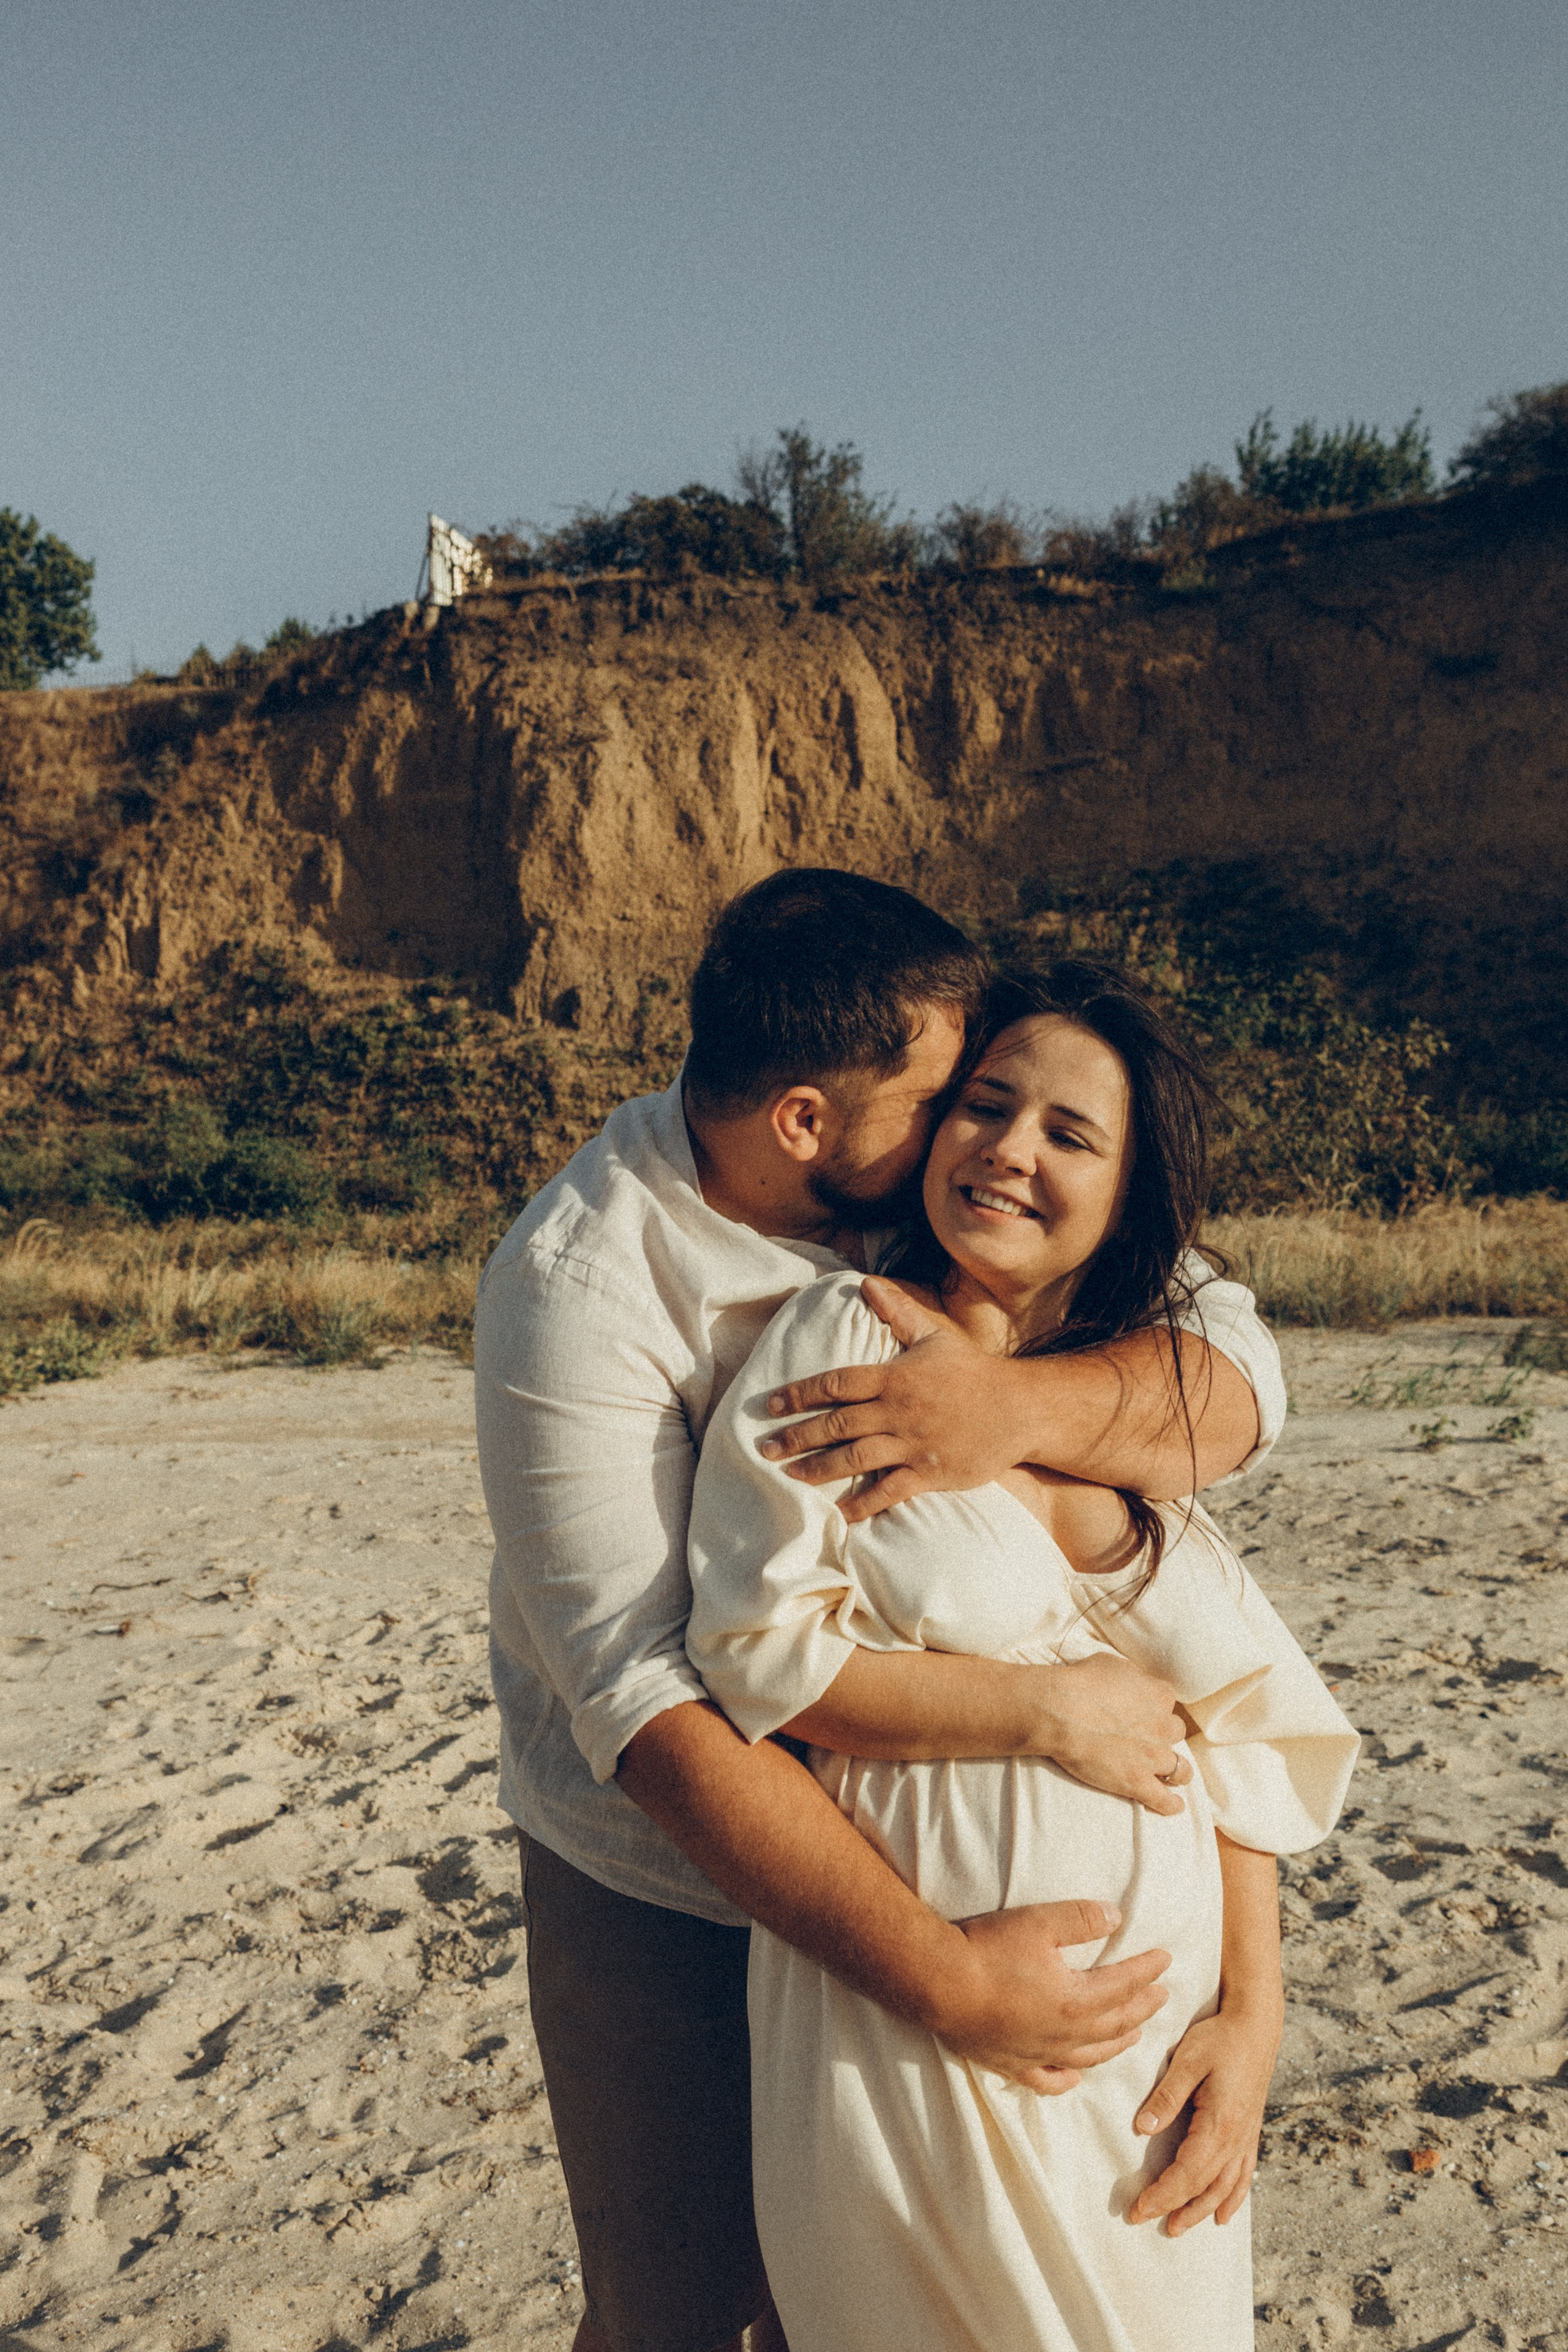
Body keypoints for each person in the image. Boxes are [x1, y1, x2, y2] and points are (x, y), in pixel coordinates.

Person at [477, 873, 1287, 2352]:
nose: (980, 1141)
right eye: (949, 1100)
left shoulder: (963, 1225)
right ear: (805, 1122)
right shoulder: (579, 1285)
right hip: (663, 1877)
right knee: (680, 2313)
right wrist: (948, 1978)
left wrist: (1002, 1412)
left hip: (1072, 1996)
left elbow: (1234, 1385)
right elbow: (652, 1701)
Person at [686, 962, 1359, 2352]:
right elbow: (758, 1658)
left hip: (1148, 2069)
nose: (1007, 1149)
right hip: (912, 2028)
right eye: (985, 1107)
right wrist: (1040, 1714)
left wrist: (1252, 2022)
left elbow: (1232, 1731)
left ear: (1128, 1198)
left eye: (1067, 1134)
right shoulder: (838, 1341)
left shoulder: (1122, 1402)